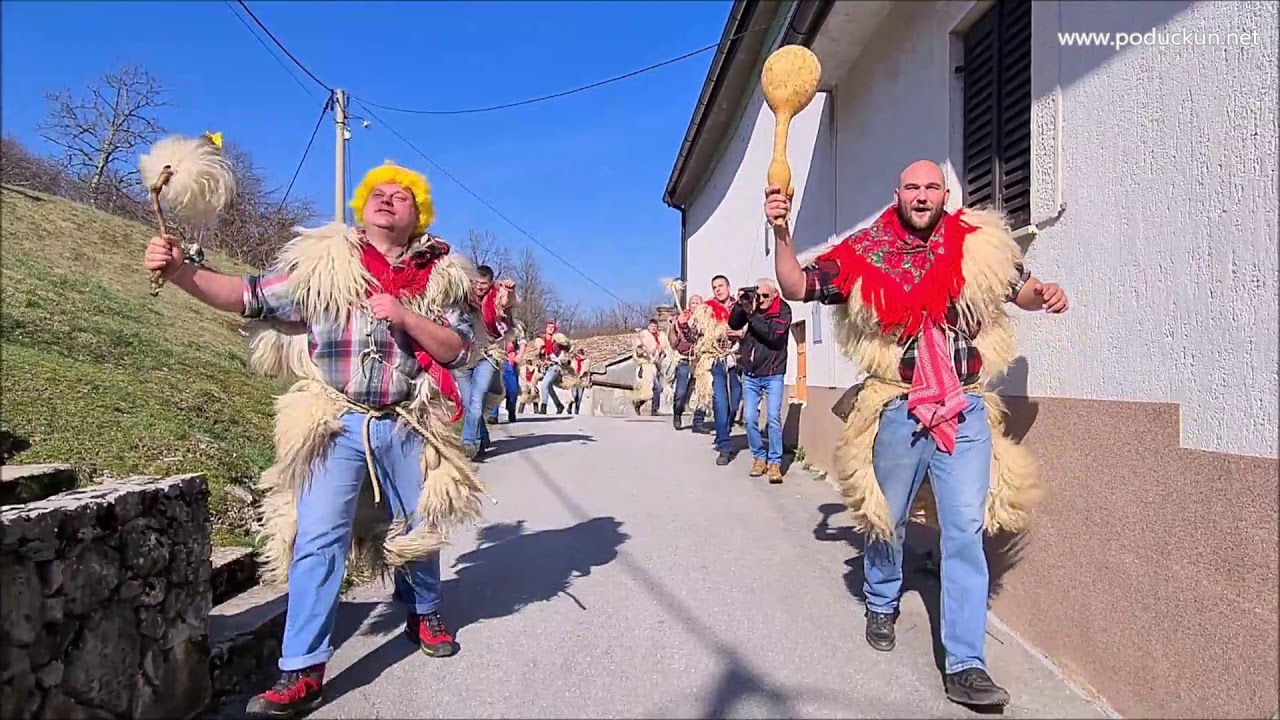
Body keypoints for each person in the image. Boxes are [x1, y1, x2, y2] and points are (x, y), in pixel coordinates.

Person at [143, 161, 488, 717]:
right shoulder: (324, 264)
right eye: (379, 192)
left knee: (422, 526)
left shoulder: (441, 274)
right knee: (317, 540)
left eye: (402, 196)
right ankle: (301, 669)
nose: (388, 199)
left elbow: (456, 348)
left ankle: (425, 610)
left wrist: (402, 314)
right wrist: (182, 271)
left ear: (416, 214)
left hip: (410, 420)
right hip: (335, 420)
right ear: (362, 205)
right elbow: (247, 295)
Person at [768, 160, 1068, 708]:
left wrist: (1044, 293)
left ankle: (966, 663)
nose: (923, 195)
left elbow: (1020, 288)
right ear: (898, 193)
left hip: (964, 407)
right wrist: (782, 231)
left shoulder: (978, 246)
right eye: (913, 187)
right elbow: (796, 285)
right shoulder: (865, 252)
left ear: (945, 193)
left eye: (932, 187)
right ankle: (881, 599)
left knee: (964, 531)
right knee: (889, 515)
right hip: (898, 407)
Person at [728, 278, 791, 483]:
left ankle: (775, 462)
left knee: (773, 418)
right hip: (751, 373)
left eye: (766, 295)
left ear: (774, 294)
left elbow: (773, 335)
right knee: (749, 419)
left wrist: (752, 313)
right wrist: (740, 305)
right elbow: (734, 323)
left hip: (773, 374)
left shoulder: (783, 311)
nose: (761, 299)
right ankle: (759, 458)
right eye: (759, 295)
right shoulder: (753, 309)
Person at [455, 264, 514, 459]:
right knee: (467, 401)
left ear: (490, 283)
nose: (480, 287)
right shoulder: (462, 294)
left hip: (488, 353)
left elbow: (507, 302)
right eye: (477, 283)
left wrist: (509, 290)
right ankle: (482, 435)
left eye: (484, 284)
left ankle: (468, 443)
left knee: (476, 397)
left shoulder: (496, 296)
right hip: (463, 354)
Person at [690, 275, 744, 465]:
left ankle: (725, 429)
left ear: (728, 286)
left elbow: (749, 329)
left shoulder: (740, 307)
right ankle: (724, 447)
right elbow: (694, 333)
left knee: (734, 403)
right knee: (720, 402)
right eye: (714, 287)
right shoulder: (707, 309)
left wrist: (739, 334)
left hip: (735, 360)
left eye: (721, 286)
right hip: (713, 362)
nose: (718, 290)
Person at [669, 294, 703, 429]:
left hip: (701, 360)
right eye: (692, 303)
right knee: (681, 392)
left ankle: (699, 421)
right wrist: (673, 327)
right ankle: (677, 412)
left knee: (701, 391)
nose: (695, 305)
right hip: (684, 359)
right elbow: (673, 342)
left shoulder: (706, 320)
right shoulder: (680, 319)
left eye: (697, 303)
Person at [631, 317, 669, 415]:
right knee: (649, 388)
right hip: (646, 366)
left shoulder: (659, 338)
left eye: (655, 326)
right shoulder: (644, 335)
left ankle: (654, 409)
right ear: (649, 327)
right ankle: (638, 403)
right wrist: (643, 352)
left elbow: (662, 351)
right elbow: (637, 350)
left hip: (654, 366)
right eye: (652, 326)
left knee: (657, 388)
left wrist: (661, 353)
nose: (653, 328)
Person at [532, 321, 568, 414]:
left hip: (554, 367)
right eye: (549, 327)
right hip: (544, 367)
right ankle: (559, 405)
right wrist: (539, 350)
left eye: (553, 327)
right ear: (546, 328)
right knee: (549, 388)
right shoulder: (541, 339)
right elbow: (537, 353)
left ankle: (543, 407)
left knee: (545, 384)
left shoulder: (558, 341)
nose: (551, 328)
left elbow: (566, 349)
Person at [569, 347, 590, 414]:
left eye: (580, 355)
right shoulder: (573, 361)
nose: (579, 356)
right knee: (574, 395)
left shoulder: (586, 361)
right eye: (578, 355)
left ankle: (576, 411)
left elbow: (587, 371)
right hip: (574, 379)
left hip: (582, 380)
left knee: (580, 396)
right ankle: (571, 405)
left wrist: (588, 381)